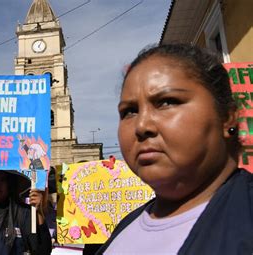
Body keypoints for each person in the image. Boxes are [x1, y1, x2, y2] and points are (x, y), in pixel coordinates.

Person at [95, 44, 253, 254]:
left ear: (227, 117)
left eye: (167, 102)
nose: (142, 126)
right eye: (129, 112)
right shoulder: (125, 227)